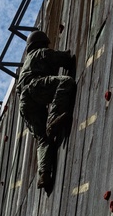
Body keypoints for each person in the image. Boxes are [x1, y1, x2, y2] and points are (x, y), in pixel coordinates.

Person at [16, 29, 78, 194]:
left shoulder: (25, 65)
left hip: (24, 103)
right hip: (34, 88)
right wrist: (68, 56)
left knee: (42, 139)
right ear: (41, 43)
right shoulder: (40, 53)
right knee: (66, 82)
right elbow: (62, 59)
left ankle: (43, 174)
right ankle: (53, 119)